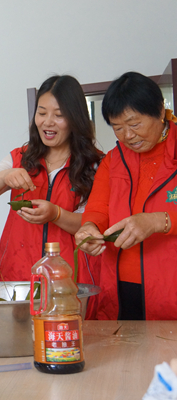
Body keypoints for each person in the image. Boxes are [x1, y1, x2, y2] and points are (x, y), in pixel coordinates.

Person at [0, 75, 103, 291]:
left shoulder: (95, 165)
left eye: (59, 115)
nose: (47, 122)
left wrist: (56, 214)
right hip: (19, 277)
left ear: (75, 118)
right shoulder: (20, 158)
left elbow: (95, 224)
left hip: (70, 281)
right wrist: (5, 177)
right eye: (41, 113)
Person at [75, 72, 177, 320]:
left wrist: (158, 221)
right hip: (120, 287)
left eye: (134, 124)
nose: (127, 136)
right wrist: (89, 227)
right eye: (118, 128)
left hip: (170, 285)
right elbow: (98, 208)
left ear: (160, 110)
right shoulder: (114, 159)